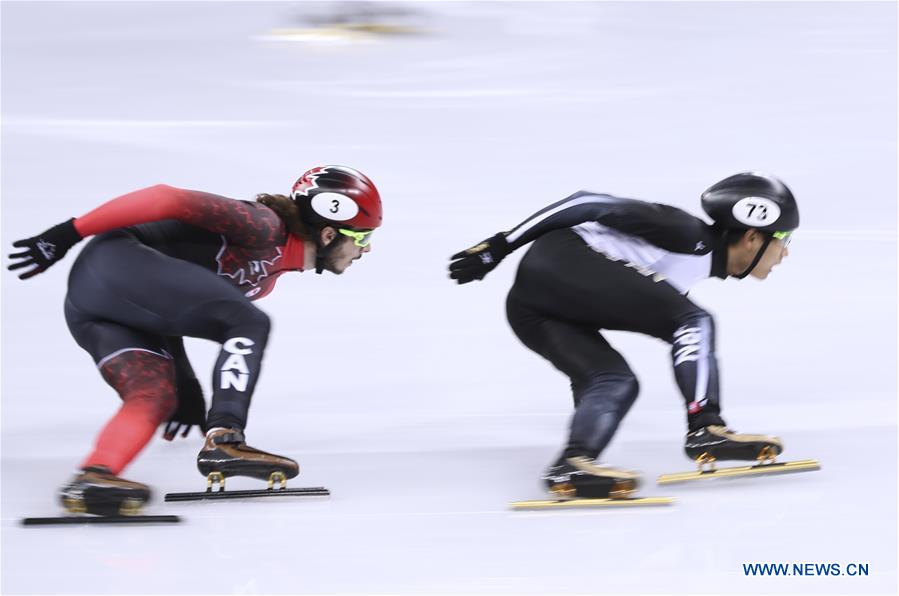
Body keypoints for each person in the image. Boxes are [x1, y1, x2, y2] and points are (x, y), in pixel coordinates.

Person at [7, 165, 382, 515]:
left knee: (154, 396)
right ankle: (225, 439)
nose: (365, 251)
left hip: (98, 305)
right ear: (329, 234)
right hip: (115, 260)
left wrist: (185, 381)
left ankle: (93, 476)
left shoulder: (265, 280)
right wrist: (66, 233)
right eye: (362, 238)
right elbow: (164, 198)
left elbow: (168, 308)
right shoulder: (263, 226)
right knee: (249, 321)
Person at [448, 172, 798, 499]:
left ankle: (572, 465)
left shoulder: (686, 270)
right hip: (561, 260)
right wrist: (501, 244)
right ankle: (706, 426)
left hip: (531, 310)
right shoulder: (684, 231)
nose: (786, 253)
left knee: (613, 380)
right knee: (694, 322)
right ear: (752, 237)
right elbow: (584, 202)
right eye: (784, 239)